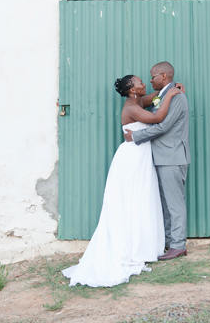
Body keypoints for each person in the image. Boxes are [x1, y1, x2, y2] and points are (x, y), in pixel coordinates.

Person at [61, 75, 181, 287]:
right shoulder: (132, 108)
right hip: (133, 158)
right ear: (133, 90)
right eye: (140, 83)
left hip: (141, 157)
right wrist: (171, 96)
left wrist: (164, 91)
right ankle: (131, 247)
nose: (144, 84)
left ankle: (141, 245)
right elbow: (158, 118)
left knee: (141, 199)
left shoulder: (137, 101)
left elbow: (153, 99)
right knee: (132, 199)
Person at [124, 61, 190, 261]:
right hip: (163, 157)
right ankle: (171, 242)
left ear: (163, 76)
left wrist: (135, 136)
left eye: (153, 76)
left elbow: (163, 126)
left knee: (174, 204)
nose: (150, 80)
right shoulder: (164, 95)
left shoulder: (176, 97)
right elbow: (151, 105)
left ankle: (178, 245)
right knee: (166, 203)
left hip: (172, 156)